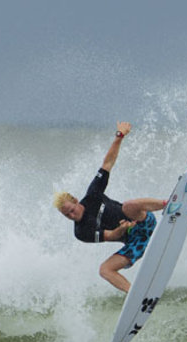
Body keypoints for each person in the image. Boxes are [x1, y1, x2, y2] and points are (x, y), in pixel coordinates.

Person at [53, 122, 166, 293]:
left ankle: (168, 204)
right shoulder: (81, 232)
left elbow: (108, 163)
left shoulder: (93, 195)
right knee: (104, 270)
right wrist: (121, 229)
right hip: (134, 241)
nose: (72, 215)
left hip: (144, 221)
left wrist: (119, 137)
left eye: (71, 209)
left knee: (129, 205)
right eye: (67, 215)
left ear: (76, 201)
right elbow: (112, 236)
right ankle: (136, 296)